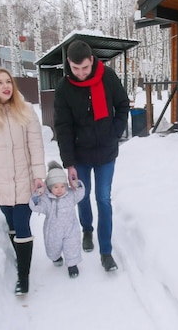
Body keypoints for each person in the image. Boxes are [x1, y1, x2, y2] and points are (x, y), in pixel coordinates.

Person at [53, 40, 130, 272]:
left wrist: (115, 132)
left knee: (103, 199)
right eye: (76, 69)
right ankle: (87, 229)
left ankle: (106, 251)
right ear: (69, 64)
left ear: (92, 61)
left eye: (85, 68)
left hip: (106, 152)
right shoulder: (64, 87)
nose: (81, 74)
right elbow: (63, 126)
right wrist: (69, 163)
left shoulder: (108, 76)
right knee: (83, 197)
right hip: (81, 154)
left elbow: (123, 104)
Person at [0, 67, 46, 296]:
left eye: (8, 82)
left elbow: (36, 145)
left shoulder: (26, 110)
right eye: (0, 83)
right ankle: (19, 256)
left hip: (25, 179)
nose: (5, 86)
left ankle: (23, 277)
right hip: (0, 179)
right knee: (12, 225)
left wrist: (39, 175)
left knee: (22, 225)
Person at [30, 161, 85, 278]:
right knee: (53, 247)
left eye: (62, 186)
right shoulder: (47, 200)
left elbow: (80, 193)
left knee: (72, 245)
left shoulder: (70, 195)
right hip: (53, 231)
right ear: (50, 187)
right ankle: (56, 257)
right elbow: (36, 207)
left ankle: (72, 265)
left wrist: (77, 184)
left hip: (70, 228)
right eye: (55, 187)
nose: (59, 190)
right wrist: (36, 196)